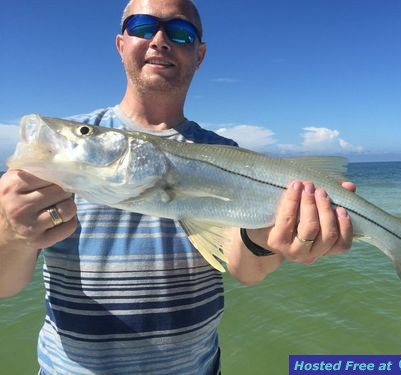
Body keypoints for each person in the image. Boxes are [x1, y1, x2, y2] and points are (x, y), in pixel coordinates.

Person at [0, 0, 355, 374]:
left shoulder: (226, 155)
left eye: (180, 32)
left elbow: (246, 271)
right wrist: (11, 232)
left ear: (199, 54)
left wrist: (272, 239)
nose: (158, 40)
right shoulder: (65, 152)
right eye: (142, 27)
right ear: (121, 44)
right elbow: (4, 285)